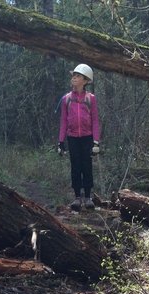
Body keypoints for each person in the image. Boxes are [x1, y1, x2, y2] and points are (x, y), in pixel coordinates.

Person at [58, 63, 101, 211]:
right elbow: (63, 120)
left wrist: (96, 142)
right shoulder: (66, 99)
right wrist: (61, 141)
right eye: (73, 76)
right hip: (72, 137)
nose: (74, 79)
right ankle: (77, 197)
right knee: (75, 167)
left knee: (86, 166)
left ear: (85, 80)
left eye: (77, 76)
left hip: (87, 137)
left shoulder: (91, 99)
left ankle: (88, 197)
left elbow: (95, 120)